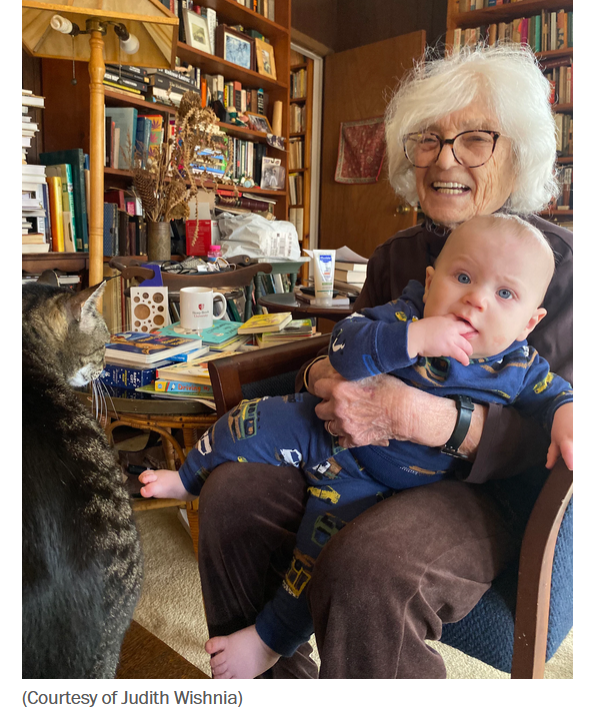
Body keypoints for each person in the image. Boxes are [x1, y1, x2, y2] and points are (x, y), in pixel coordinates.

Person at [191, 42, 573, 678]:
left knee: (367, 569)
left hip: (487, 494)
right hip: (364, 463)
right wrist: (322, 376)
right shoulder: (400, 254)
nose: (445, 158)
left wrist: (428, 420)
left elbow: (559, 422)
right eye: (428, 139)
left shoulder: (565, 272)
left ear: (520, 153)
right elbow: (345, 350)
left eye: (475, 139)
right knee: (233, 493)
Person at [139, 214, 573, 678]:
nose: (476, 299)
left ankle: (272, 637)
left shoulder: (527, 350)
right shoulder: (405, 289)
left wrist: (566, 414)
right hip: (346, 448)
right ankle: (191, 480)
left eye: (504, 294)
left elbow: (556, 400)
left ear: (530, 323)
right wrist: (363, 358)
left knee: (352, 564)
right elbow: (344, 341)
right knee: (233, 490)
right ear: (430, 282)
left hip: (474, 484)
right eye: (462, 277)